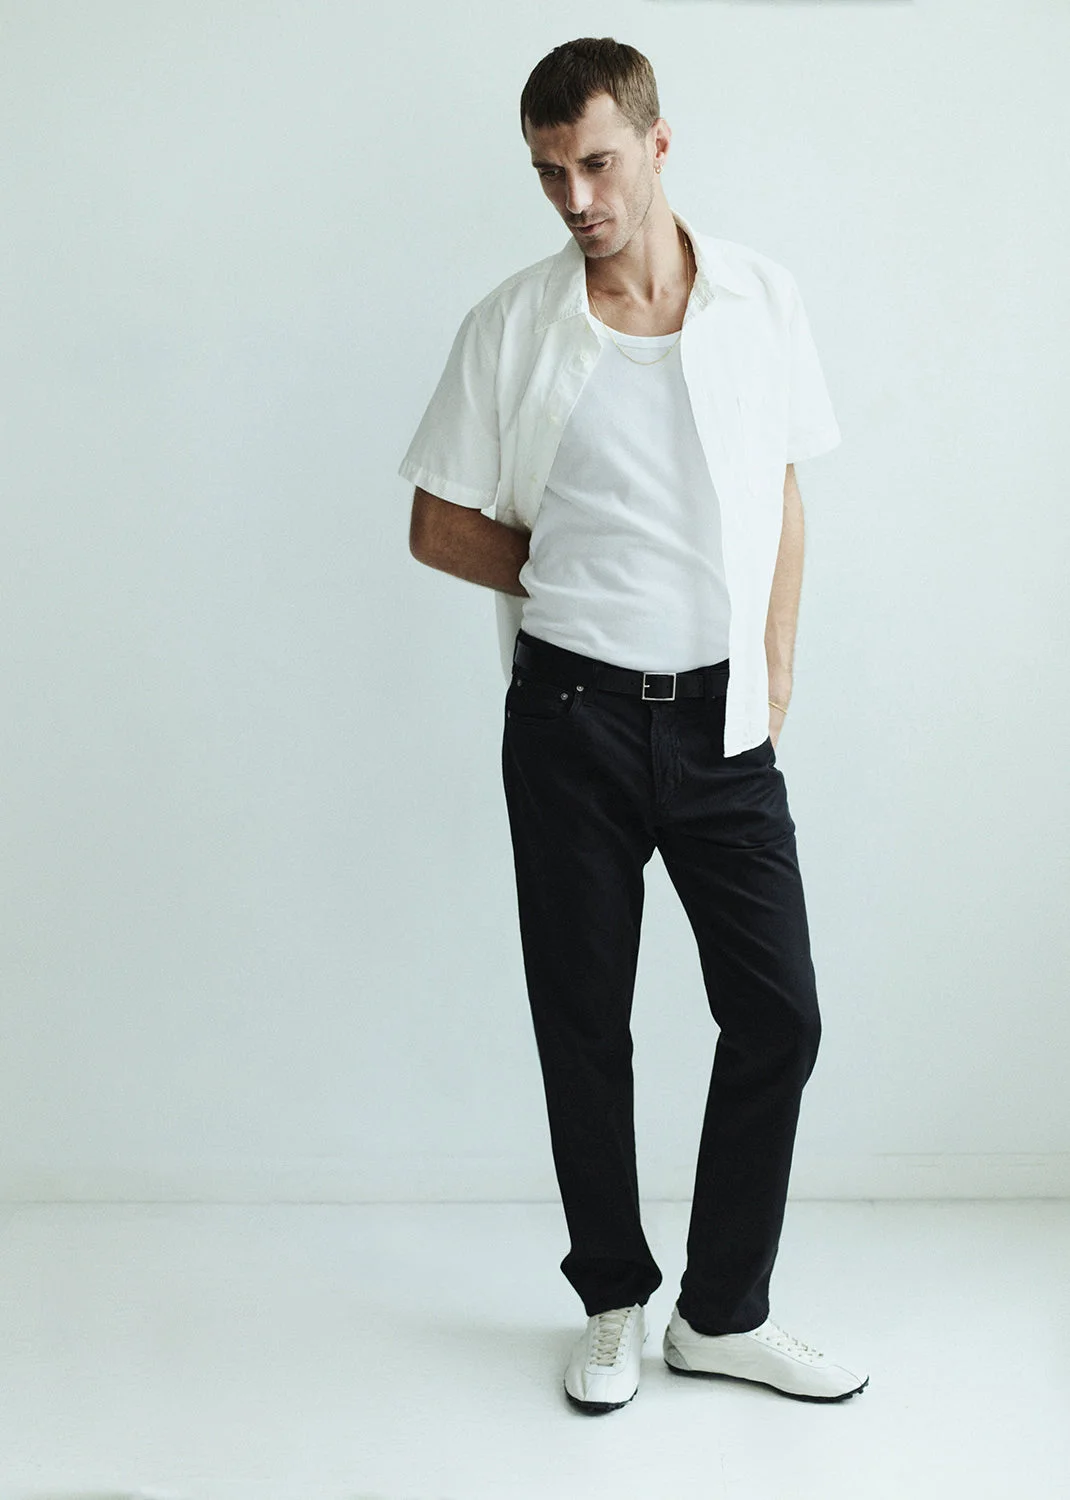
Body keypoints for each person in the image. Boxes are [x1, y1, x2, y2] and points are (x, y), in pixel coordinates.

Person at [400, 36, 868, 1414]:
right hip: (570, 718)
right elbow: (435, 522)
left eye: (597, 164)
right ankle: (612, 1300)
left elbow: (783, 488)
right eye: (550, 173)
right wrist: (566, 574)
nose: (576, 199)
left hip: (723, 722)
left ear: (657, 146)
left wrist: (774, 661)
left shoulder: (760, 300)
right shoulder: (512, 326)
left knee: (778, 1016)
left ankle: (720, 1315)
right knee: (583, 1023)